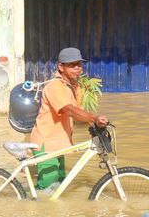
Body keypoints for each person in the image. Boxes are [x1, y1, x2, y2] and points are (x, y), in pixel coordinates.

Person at [29, 47, 110, 192]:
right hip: (46, 143)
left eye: (79, 64)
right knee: (47, 189)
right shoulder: (55, 86)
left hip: (59, 143)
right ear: (61, 67)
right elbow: (69, 110)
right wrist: (94, 117)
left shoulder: (74, 87)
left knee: (59, 186)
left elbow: (78, 113)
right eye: (72, 65)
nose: (77, 68)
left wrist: (95, 123)